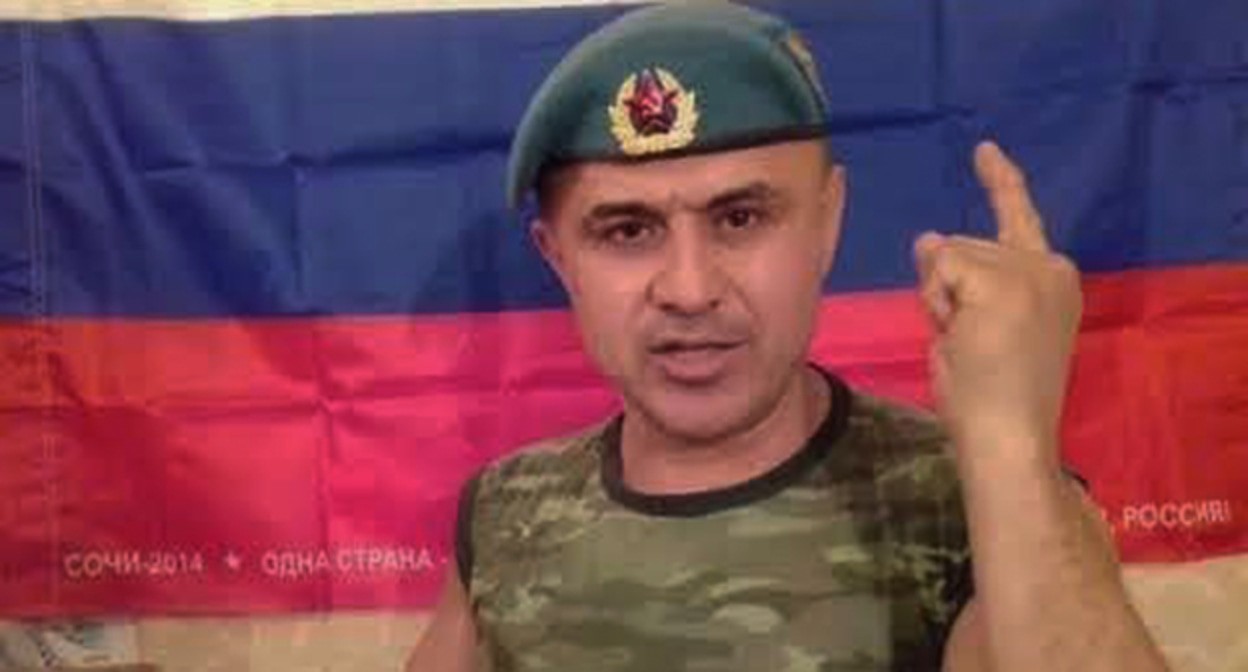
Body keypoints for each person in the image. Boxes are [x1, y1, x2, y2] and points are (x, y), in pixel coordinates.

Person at [410, 2, 1170, 670]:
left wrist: (1009, 443)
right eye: (628, 230)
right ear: (558, 258)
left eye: (741, 218)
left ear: (827, 222)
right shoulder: (507, 512)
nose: (690, 290)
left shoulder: (976, 505)